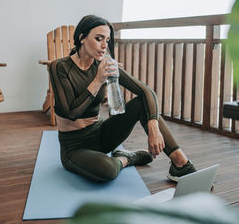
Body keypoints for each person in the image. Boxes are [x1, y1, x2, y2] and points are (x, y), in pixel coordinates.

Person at [49, 15, 197, 182]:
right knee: (108, 170)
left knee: (142, 104)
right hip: (74, 147)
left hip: (101, 135)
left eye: (107, 40)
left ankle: (181, 164)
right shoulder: (60, 67)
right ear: (82, 37)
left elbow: (145, 91)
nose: (105, 45)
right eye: (99, 39)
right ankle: (126, 158)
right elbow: (71, 112)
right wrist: (98, 80)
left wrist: (153, 125)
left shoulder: (104, 64)